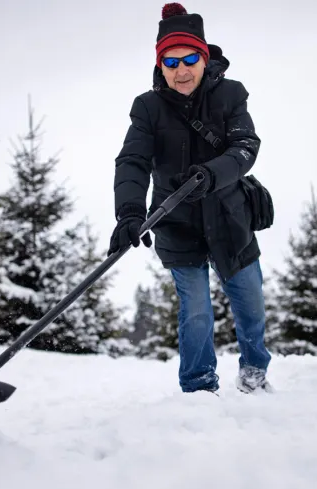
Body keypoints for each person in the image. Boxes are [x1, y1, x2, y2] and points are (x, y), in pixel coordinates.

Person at [109, 2, 273, 395]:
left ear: (204, 57)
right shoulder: (147, 107)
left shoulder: (230, 95)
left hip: (231, 219)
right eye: (170, 62)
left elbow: (245, 146)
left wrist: (212, 174)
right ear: (160, 65)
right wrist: (129, 211)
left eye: (189, 59)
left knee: (251, 307)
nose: (181, 70)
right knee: (196, 311)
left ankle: (254, 372)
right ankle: (199, 389)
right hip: (177, 221)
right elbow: (133, 160)